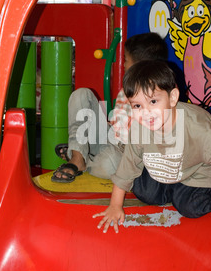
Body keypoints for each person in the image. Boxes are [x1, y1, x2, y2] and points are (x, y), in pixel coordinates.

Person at [94, 59, 211, 233]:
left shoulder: (196, 129)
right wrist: (115, 205)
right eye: (137, 105)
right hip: (169, 169)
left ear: (172, 97)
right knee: (143, 191)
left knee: (190, 206)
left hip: (199, 172)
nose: (146, 113)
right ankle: (175, 189)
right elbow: (127, 167)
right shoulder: (140, 127)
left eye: (153, 102)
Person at [51, 33, 168, 182]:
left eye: (126, 60)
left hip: (127, 154)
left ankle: (81, 155)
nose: (124, 65)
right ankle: (78, 157)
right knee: (81, 95)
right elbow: (118, 122)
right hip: (109, 139)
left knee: (107, 165)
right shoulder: (128, 86)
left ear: (139, 65)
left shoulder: (160, 93)